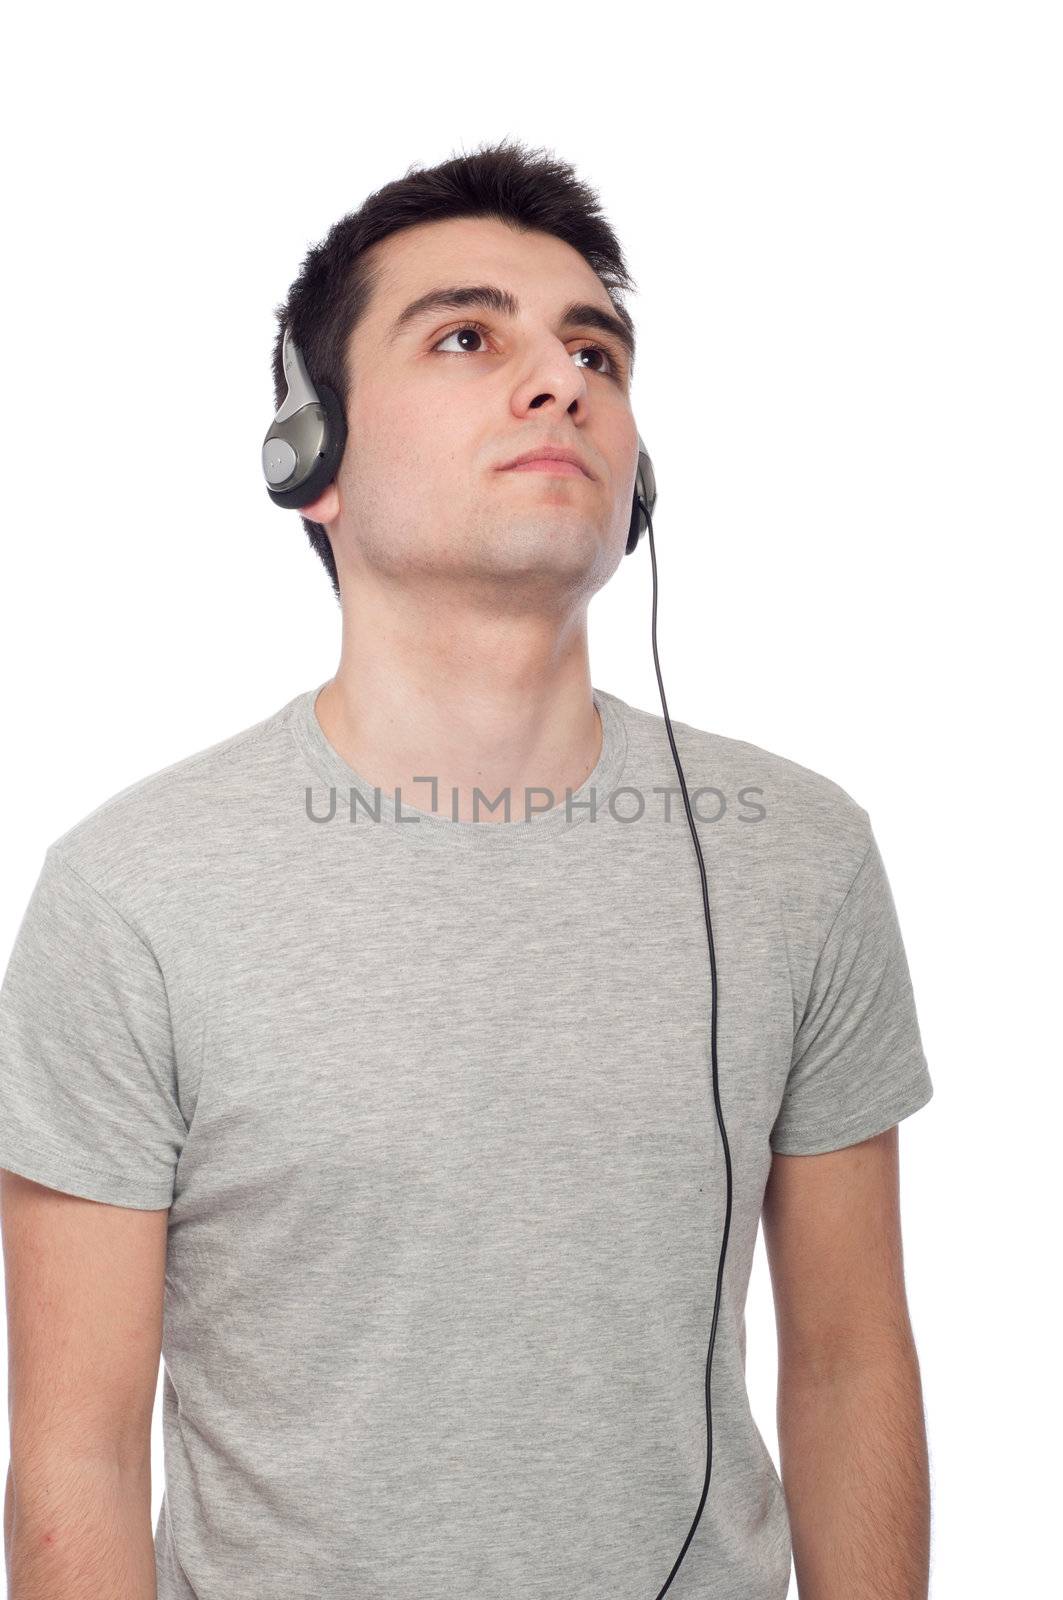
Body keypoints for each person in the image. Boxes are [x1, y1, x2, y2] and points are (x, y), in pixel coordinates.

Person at [0, 138, 934, 1600]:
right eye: (465, 335)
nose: (559, 378)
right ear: (308, 457)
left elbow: (850, 1358)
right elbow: (76, 1453)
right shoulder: (132, 896)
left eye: (594, 351)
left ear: (638, 481)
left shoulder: (800, 858)